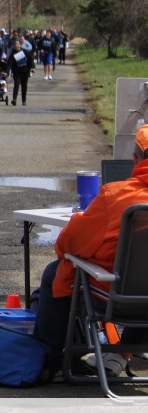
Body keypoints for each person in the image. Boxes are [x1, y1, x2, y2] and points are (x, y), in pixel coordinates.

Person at [33, 123, 148, 377]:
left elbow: (70, 244)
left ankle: (48, 358)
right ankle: (120, 354)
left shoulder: (115, 196)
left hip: (118, 299)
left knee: (55, 272)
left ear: (135, 158)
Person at [9, 38, 34, 106]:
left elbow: (30, 60)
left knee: (24, 86)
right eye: (15, 44)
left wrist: (32, 67)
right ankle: (14, 99)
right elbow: (9, 64)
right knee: (16, 85)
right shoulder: (12, 54)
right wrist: (7, 71)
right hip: (17, 72)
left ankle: (24, 100)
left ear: (20, 45)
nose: (16, 45)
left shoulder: (25, 52)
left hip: (25, 72)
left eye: (17, 44)